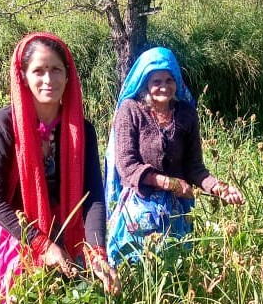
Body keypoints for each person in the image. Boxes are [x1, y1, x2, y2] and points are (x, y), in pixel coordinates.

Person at [0, 32, 120, 304]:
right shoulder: (4, 125)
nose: (48, 79)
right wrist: (42, 244)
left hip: (66, 223)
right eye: (38, 71)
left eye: (56, 70)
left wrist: (96, 252)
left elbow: (92, 197)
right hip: (17, 227)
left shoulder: (82, 130)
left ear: (68, 76)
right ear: (23, 77)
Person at [104, 47, 244, 267]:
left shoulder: (186, 113)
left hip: (177, 213)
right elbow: (127, 165)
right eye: (156, 81)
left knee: (177, 269)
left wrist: (220, 189)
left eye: (169, 80)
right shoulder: (130, 110)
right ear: (145, 83)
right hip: (140, 207)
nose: (164, 86)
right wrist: (169, 183)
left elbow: (195, 167)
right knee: (137, 267)